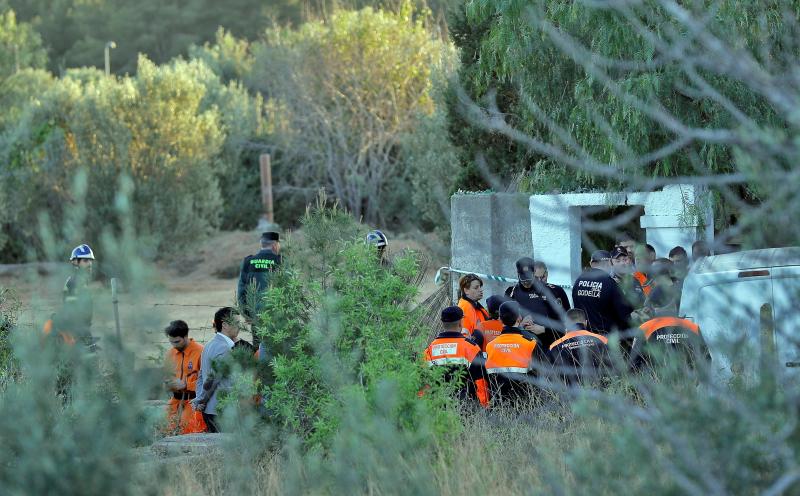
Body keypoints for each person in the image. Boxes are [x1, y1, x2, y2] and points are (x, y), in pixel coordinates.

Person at [484, 301, 549, 406]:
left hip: (499, 405)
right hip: (525, 403)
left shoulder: (490, 346)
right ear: (519, 318)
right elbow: (543, 373)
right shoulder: (531, 343)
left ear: (500, 320)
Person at [423, 306, 489, 407]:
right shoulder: (471, 348)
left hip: (437, 408)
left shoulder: (430, 350)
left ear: (443, 323)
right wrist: (484, 405)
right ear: (460, 323)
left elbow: (424, 381)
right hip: (465, 408)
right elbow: (480, 381)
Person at [631, 286, 710, 370]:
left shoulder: (645, 329)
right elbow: (707, 360)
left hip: (656, 381)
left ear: (653, 304)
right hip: (689, 381)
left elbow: (633, 366)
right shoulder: (692, 327)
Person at [193, 307, 240, 432]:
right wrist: (201, 400)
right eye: (236, 323)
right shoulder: (224, 348)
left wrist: (200, 400)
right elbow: (212, 379)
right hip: (221, 411)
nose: (239, 326)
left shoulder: (208, 345)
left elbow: (201, 375)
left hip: (210, 409)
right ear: (224, 325)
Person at [504, 258, 568, 350]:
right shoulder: (511, 292)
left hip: (551, 346)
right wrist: (520, 324)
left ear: (534, 272)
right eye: (524, 280)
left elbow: (565, 323)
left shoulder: (554, 291)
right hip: (524, 348)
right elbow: (506, 326)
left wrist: (544, 329)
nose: (526, 283)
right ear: (518, 275)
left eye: (529, 279)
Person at [571, 250, 633, 336]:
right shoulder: (609, 282)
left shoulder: (578, 281)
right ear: (609, 262)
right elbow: (623, 314)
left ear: (592, 263)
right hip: (605, 337)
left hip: (584, 336)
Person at [237, 232, 282, 349]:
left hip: (255, 316)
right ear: (275, 245)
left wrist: (246, 313)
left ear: (261, 244)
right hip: (277, 317)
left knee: (259, 350)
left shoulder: (248, 262)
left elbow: (241, 290)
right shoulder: (280, 261)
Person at [163, 320, 206, 434]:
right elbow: (166, 377)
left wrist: (187, 384)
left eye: (177, 342)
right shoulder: (170, 354)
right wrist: (167, 384)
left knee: (188, 429)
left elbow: (208, 381)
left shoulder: (201, 352)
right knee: (164, 428)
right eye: (171, 342)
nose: (174, 346)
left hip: (193, 400)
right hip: (175, 400)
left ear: (186, 336)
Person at [547, 308, 609, 385]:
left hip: (570, 393)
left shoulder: (554, 346)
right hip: (602, 390)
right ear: (585, 323)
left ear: (566, 324)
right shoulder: (602, 340)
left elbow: (549, 375)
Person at [58, 244, 98, 349]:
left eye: (90, 261)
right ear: (76, 262)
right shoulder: (74, 283)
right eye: (85, 261)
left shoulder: (80, 282)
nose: (89, 264)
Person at [456, 274, 488, 348]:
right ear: (466, 290)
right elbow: (465, 337)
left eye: (480, 287)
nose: (480, 290)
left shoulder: (474, 306)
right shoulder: (466, 307)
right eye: (476, 288)